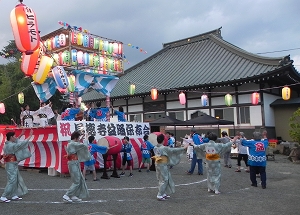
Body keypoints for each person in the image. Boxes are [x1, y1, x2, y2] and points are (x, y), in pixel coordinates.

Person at [0, 129, 33, 203]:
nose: (15, 137)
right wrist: (29, 136)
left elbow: (16, 141)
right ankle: (3, 196)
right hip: (10, 164)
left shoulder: (9, 144)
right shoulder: (10, 145)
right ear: (11, 137)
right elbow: (20, 144)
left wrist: (21, 134)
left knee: (15, 179)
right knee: (12, 180)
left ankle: (14, 194)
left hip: (12, 164)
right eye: (14, 136)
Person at [152, 134, 188, 201]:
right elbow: (173, 150)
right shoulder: (164, 148)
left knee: (161, 178)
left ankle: (163, 193)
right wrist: (183, 148)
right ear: (163, 140)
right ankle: (160, 194)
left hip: (157, 164)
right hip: (162, 164)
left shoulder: (155, 147)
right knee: (165, 179)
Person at [63, 131, 92, 203]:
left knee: (78, 179)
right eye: (78, 137)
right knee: (77, 181)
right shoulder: (72, 144)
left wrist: (83, 138)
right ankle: (67, 195)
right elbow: (84, 146)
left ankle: (73, 195)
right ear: (76, 137)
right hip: (73, 163)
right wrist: (86, 138)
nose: (79, 139)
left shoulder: (71, 143)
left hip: (74, 162)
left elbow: (79, 145)